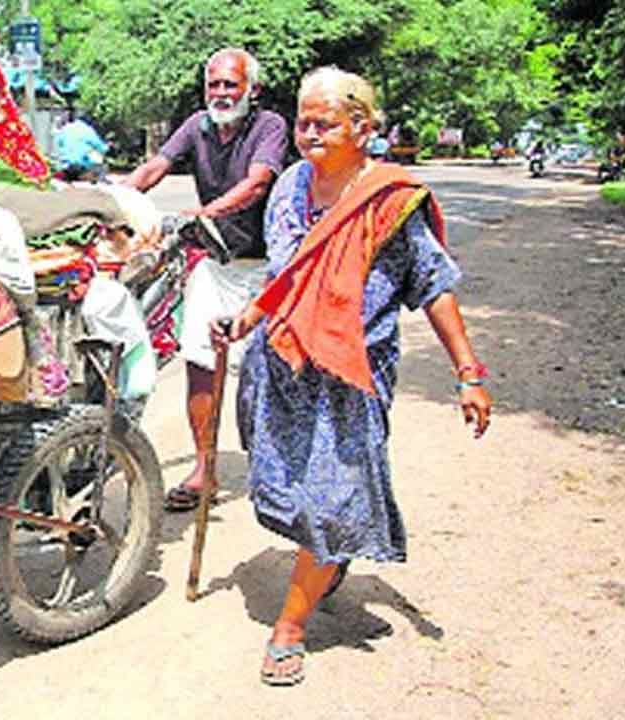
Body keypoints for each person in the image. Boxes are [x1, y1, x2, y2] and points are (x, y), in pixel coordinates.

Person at [211, 66, 492, 686]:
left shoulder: (390, 201)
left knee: (331, 498)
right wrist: (245, 320)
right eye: (303, 122)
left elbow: (435, 288)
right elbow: (286, 277)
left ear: (362, 128)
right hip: (283, 366)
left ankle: (289, 627)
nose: (309, 133)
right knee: (280, 488)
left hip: (351, 377)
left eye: (324, 122)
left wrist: (468, 373)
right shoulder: (288, 187)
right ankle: (327, 556)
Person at [120, 47, 288, 512]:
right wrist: (114, 198)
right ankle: (204, 468)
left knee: (269, 374)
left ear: (251, 90)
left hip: (267, 268)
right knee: (199, 361)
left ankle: (280, 470)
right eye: (213, 84)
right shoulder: (198, 125)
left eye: (230, 84)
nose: (220, 92)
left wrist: (202, 213)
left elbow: (257, 183)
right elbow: (158, 166)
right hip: (217, 264)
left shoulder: (268, 126)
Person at [53, 111, 109, 183]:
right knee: (99, 157)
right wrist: (107, 146)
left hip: (66, 168)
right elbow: (102, 148)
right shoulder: (88, 130)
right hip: (81, 169)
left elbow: (59, 143)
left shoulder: (66, 128)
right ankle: (99, 178)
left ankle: (69, 175)